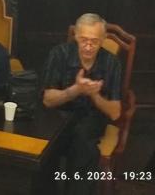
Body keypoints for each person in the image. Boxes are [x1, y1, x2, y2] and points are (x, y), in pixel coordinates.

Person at [42, 13, 121, 195]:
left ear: (103, 39)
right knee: (47, 146)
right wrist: (75, 90)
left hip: (92, 118)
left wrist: (95, 95)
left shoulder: (111, 62)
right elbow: (47, 100)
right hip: (59, 117)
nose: (88, 46)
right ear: (76, 36)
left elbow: (115, 113)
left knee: (83, 143)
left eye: (94, 41)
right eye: (84, 40)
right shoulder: (59, 54)